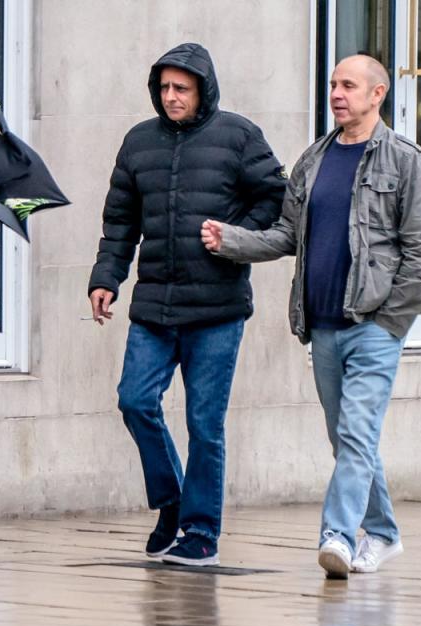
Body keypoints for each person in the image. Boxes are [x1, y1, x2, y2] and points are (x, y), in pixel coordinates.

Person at [200, 54, 421, 578]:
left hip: (374, 326)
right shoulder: (313, 159)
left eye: (349, 85)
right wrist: (233, 240)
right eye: (333, 83)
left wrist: (390, 321)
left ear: (377, 94)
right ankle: (383, 533)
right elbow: (289, 235)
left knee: (356, 435)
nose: (337, 93)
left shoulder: (405, 161)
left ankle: (337, 534)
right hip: (323, 327)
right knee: (347, 438)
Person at [88, 43, 286, 566]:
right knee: (134, 401)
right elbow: (119, 224)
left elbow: (276, 197)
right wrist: (106, 278)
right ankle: (172, 499)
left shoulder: (238, 136)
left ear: (203, 89)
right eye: (164, 88)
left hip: (217, 309)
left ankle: (201, 533)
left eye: (182, 88)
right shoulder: (137, 143)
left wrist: (238, 235)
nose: (171, 97)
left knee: (204, 423)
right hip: (153, 306)